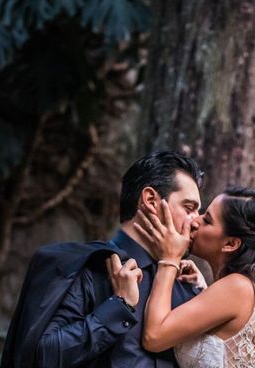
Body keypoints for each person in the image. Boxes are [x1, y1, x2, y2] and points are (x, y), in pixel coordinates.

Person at [35, 150, 204, 367]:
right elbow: (44, 356)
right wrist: (118, 307)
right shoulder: (89, 269)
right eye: (189, 208)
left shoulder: (187, 286)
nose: (196, 222)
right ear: (151, 200)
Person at [134, 186, 255, 368]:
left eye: (207, 220)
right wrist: (204, 290)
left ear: (230, 243)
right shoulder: (243, 288)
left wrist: (169, 260)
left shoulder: (238, 287)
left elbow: (153, 337)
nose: (194, 221)